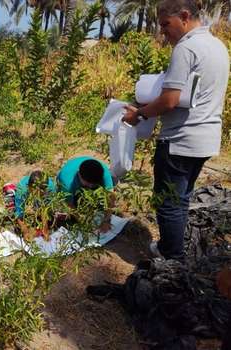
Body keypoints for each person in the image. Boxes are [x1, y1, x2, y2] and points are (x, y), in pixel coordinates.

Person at [122, 0, 229, 261]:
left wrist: (139, 113)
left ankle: (172, 257)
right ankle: (172, 248)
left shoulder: (186, 48)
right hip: (205, 139)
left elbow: (170, 99)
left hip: (180, 139)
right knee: (181, 198)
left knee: (169, 202)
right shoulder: (218, 46)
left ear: (183, 16)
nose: (163, 32)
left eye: (165, 24)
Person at [57, 156, 115, 232]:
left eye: (94, 184)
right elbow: (69, 204)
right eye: (87, 184)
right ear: (79, 174)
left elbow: (111, 196)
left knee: (99, 203)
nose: (90, 187)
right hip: (69, 183)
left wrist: (106, 220)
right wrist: (82, 220)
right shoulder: (67, 183)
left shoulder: (104, 173)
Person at [14, 170, 57, 241]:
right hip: (25, 192)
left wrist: (45, 229)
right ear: (29, 187)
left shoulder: (51, 189)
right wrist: (25, 231)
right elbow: (19, 214)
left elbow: (45, 209)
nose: (38, 194)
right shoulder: (22, 190)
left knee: (47, 212)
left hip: (41, 198)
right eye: (35, 192)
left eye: (41, 193)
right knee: (12, 208)